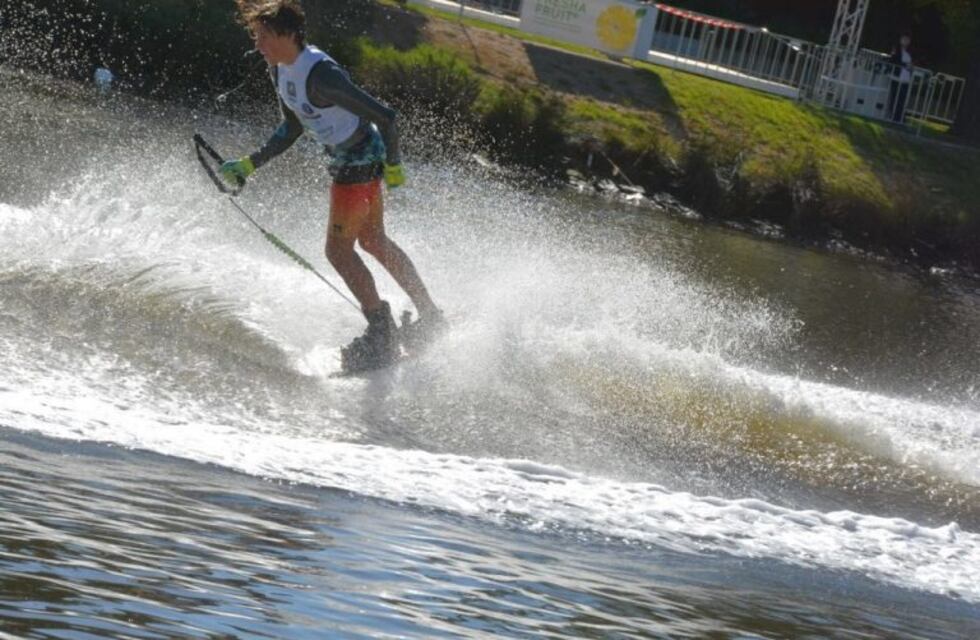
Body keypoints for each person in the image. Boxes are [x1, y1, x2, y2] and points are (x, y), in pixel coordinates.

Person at [221, 0, 443, 371]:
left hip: (359, 159)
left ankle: (381, 334)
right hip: (347, 160)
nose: (257, 45)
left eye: (264, 37)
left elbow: (386, 117)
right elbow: (291, 128)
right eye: (255, 36)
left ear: (289, 35)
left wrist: (394, 164)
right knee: (372, 241)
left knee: (338, 252)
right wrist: (250, 163)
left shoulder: (322, 76)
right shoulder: (278, 71)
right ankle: (430, 317)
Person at [886, 33, 913, 124]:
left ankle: (900, 116)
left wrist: (910, 67)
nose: (906, 41)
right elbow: (893, 60)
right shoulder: (896, 49)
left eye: (907, 39)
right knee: (895, 96)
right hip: (896, 76)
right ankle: (893, 115)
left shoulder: (910, 51)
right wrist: (905, 65)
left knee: (902, 98)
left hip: (905, 78)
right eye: (904, 39)